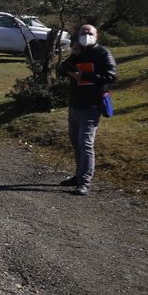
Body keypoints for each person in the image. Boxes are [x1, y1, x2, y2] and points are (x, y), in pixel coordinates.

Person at [57, 22, 117, 196]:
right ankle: (78, 176)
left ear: (96, 36)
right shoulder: (78, 53)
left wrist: (85, 75)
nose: (86, 34)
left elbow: (111, 76)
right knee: (76, 142)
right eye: (83, 32)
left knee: (86, 143)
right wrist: (73, 56)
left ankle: (84, 182)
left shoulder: (103, 53)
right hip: (75, 104)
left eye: (89, 32)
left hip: (92, 106)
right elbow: (61, 71)